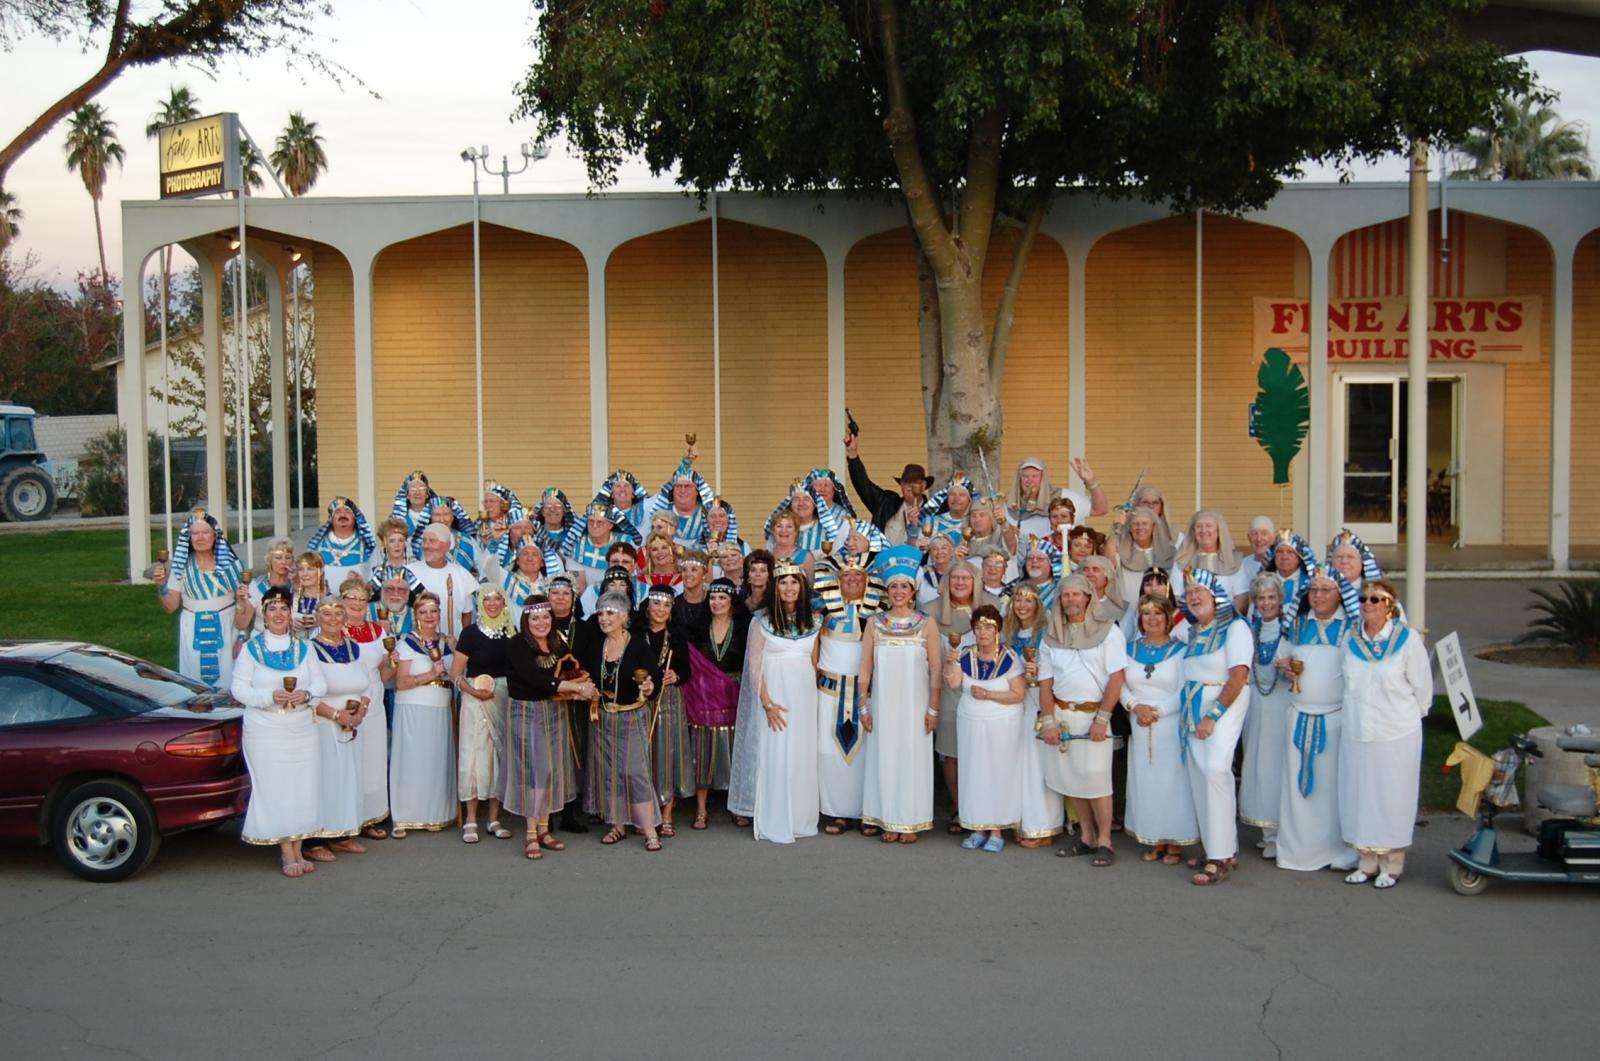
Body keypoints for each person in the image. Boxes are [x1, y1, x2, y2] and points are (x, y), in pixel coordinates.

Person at [1339, 578, 1432, 889]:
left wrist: (1403, 718)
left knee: (1392, 796)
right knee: (1361, 795)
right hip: (1358, 730)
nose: (1367, 604)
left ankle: (1392, 863)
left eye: (1375, 600)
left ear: (1389, 605)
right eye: (1364, 599)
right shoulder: (1350, 638)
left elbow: (1422, 690)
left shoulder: (1407, 640)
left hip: (1396, 732)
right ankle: (1366, 860)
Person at [231, 585, 327, 877]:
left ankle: (298, 845)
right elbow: (238, 689)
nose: (278, 614)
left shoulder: (304, 648)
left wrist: (307, 695)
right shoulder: (251, 649)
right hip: (266, 728)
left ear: (290, 613)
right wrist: (268, 697)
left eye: (283, 608)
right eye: (272, 609)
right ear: (264, 612)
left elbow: (320, 685)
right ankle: (287, 851)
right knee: (277, 787)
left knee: (302, 786)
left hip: (300, 726)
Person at [1272, 565, 1360, 873]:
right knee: (1296, 789)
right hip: (1298, 716)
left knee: (1332, 787)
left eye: (1326, 590)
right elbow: (1281, 659)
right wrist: (1284, 668)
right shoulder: (1296, 626)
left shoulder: (1351, 627)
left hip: (1335, 720)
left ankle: (1337, 851)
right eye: (1314, 590)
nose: (1319, 596)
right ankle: (1297, 852)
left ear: (1340, 594)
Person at [727, 559, 822, 843]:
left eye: (795, 582)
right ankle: (774, 815)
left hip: (804, 698)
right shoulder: (761, 621)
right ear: (775, 587)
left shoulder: (815, 621)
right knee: (776, 754)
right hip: (774, 699)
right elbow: (755, 667)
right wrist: (767, 703)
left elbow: (814, 664)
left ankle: (800, 816)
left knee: (801, 756)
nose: (790, 587)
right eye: (784, 582)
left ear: (802, 587)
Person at [1038, 573, 1127, 867]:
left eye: (1076, 594)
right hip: (1064, 715)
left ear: (1088, 597)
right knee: (1073, 778)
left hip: (1094, 716)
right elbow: (1046, 682)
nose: (1071, 600)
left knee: (1097, 780)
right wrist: (1048, 720)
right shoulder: (1052, 635)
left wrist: (1103, 718)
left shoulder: (1108, 632)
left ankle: (1105, 841)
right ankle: (1086, 837)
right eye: (1065, 595)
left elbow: (1117, 677)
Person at [858, 546, 941, 843]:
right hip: (883, 705)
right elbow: (865, 668)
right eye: (893, 586)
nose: (898, 592)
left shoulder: (926, 624)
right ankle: (888, 819)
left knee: (913, 760)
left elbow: (935, 669)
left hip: (915, 704)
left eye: (904, 586)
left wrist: (933, 709)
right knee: (885, 757)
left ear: (913, 590)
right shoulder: (875, 624)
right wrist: (863, 707)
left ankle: (911, 821)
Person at [503, 595, 594, 859]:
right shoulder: (517, 645)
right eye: (535, 618)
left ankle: (544, 829)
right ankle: (531, 834)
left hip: (555, 711)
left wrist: (580, 687)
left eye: (545, 617)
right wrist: (577, 688)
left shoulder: (556, 642)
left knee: (551, 771)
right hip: (527, 713)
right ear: (526, 620)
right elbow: (536, 680)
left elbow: (569, 671)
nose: (541, 622)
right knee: (535, 773)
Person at [1179, 569, 1253, 886]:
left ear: (1216, 596)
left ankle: (1220, 857)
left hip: (1222, 703)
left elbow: (1238, 677)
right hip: (1194, 706)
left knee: (1215, 771)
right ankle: (1218, 847)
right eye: (1190, 592)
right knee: (1199, 775)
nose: (1194, 597)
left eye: (1200, 592)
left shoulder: (1235, 628)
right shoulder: (1195, 630)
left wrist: (1214, 715)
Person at [576, 591, 665, 850]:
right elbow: (585, 675)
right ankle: (616, 825)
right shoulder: (595, 646)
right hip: (602, 718)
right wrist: (585, 687)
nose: (604, 618)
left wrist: (648, 687)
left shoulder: (638, 645)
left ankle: (649, 829)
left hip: (631, 715)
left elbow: (653, 680)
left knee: (635, 773)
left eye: (611, 612)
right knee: (609, 773)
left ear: (625, 616)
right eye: (601, 613)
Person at [812, 555, 887, 835]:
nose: (852, 581)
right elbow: (814, 647)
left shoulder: (878, 614)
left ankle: (867, 812)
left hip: (865, 692)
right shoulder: (823, 611)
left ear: (867, 582)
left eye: (858, 577)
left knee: (866, 753)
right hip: (829, 691)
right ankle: (836, 812)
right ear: (837, 581)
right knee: (829, 751)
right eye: (846, 577)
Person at [307, 594, 385, 859]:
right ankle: (316, 838)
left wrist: (362, 708)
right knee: (325, 779)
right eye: (327, 614)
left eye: (338, 614)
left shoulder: (353, 647)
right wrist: (336, 715)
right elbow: (309, 695)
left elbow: (365, 683)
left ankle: (341, 833)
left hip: (351, 724)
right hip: (324, 723)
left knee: (348, 778)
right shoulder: (310, 649)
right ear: (318, 617)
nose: (333, 620)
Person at [1121, 593, 1197, 865]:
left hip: (1169, 724)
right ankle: (1152, 836)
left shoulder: (1181, 650)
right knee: (1146, 782)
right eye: (1146, 613)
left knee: (1172, 783)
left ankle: (1174, 840)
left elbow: (1185, 688)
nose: (1152, 619)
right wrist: (1134, 705)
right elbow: (1120, 683)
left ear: (1168, 618)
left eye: (1158, 613)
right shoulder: (1128, 649)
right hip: (1139, 722)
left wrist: (1159, 711)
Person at [950, 604, 1028, 852]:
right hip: (971, 722)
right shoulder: (965, 654)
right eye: (978, 628)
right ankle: (976, 825)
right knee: (973, 771)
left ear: (998, 631)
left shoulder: (1010, 658)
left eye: (988, 628)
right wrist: (949, 661)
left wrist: (988, 695)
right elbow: (952, 682)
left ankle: (997, 829)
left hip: (1002, 724)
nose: (983, 633)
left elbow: (1018, 694)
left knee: (999, 773)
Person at [152, 509, 249, 689]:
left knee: (231, 679)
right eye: (195, 534)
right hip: (192, 628)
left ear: (215, 536)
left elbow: (244, 603)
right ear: (189, 538)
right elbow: (171, 606)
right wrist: (162, 585)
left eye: (205, 532)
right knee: (194, 684)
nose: (200, 538)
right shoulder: (180, 566)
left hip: (227, 626)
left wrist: (242, 636)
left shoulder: (231, 565)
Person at [450, 587, 514, 843]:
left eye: (497, 598)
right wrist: (473, 691)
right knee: (474, 757)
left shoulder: (512, 632)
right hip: (475, 699)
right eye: (486, 599)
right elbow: (455, 673)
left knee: (499, 755)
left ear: (503, 602)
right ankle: (471, 820)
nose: (492, 603)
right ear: (480, 603)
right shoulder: (470, 633)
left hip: (503, 697)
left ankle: (495, 819)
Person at [389, 591, 456, 837]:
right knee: (412, 760)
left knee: (435, 761)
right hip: (414, 706)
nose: (429, 616)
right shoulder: (406, 641)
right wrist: (430, 675)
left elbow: (456, 674)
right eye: (423, 612)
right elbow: (402, 681)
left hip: (441, 707)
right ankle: (405, 816)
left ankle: (435, 814)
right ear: (415, 615)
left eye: (433, 611)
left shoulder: (448, 642)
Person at [1002, 583, 1063, 848]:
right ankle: (1022, 819)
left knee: (1038, 763)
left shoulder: (1048, 632)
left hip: (1040, 697)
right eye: (1018, 601)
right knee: (1019, 762)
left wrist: (1038, 670)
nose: (1023, 606)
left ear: (1038, 605)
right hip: (1016, 700)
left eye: (1028, 601)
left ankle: (1043, 825)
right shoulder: (1009, 634)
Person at [683, 577, 748, 828]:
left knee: (735, 754)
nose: (717, 602)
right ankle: (701, 810)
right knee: (703, 754)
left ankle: (737, 806)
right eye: (712, 597)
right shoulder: (697, 627)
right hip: (704, 699)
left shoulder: (744, 627)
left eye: (722, 598)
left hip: (735, 695)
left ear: (732, 602)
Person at [931, 559, 990, 833]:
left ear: (975, 581)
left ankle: (983, 806)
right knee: (952, 753)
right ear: (946, 582)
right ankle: (958, 808)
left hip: (983, 690)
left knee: (981, 753)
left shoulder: (989, 609)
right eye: (955, 578)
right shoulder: (930, 611)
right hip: (947, 692)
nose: (960, 583)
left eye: (966, 578)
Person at [1238, 572, 1291, 859]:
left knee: (1278, 767)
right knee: (1258, 764)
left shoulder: (1291, 629)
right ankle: (1265, 829)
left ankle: (1282, 831)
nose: (1266, 603)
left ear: (1280, 599)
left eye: (1272, 597)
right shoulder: (1249, 628)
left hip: (1281, 704)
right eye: (1261, 598)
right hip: (1257, 704)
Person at [338, 575, 391, 839]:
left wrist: (392, 661)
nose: (357, 604)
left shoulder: (378, 631)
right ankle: (347, 818)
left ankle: (370, 817)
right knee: (349, 759)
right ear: (342, 600)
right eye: (352, 598)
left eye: (362, 599)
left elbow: (386, 673)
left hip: (375, 698)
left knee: (373, 757)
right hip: (346, 697)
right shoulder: (333, 631)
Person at [639, 583, 694, 836]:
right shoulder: (636, 634)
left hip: (669, 700)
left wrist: (676, 675)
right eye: (656, 603)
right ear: (648, 605)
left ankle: (667, 814)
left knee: (669, 754)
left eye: (666, 605)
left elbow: (686, 670)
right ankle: (646, 813)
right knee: (644, 756)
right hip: (640, 700)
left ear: (672, 610)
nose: (661, 609)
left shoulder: (676, 636)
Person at [843, 428, 932, 546]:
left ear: (924, 485)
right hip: (882, 560)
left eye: (915, 482)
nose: (910, 486)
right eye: (906, 482)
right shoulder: (886, 502)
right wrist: (853, 455)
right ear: (901, 485)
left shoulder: (932, 512)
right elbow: (863, 485)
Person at [1005, 457, 1109, 541]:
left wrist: (1092, 483)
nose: (1030, 481)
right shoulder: (1010, 506)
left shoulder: (1063, 497)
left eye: (1035, 476)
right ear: (1019, 479)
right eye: (1025, 476)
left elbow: (1100, 510)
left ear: (1043, 478)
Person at [407, 524, 477, 641]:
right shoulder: (409, 572)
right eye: (424, 541)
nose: (426, 546)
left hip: (452, 647)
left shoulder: (461, 574)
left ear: (447, 546)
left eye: (432, 541)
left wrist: (463, 645)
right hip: (417, 645)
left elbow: (466, 615)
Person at [1173, 510, 1250, 616]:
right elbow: (1176, 597)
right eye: (1199, 526)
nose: (1203, 530)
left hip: (1227, 624)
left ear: (1219, 531)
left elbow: (1242, 597)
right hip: (1191, 624)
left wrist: (1224, 621)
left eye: (1209, 525)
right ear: (1193, 531)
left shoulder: (1234, 560)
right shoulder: (1182, 560)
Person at [307, 496, 378, 587]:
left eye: (347, 511)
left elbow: (377, 574)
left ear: (355, 518)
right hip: (325, 600)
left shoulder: (368, 545)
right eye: (338, 512)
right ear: (331, 519)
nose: (343, 515)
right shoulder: (316, 545)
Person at [1114, 506, 1176, 607]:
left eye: (1145, 523)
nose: (1140, 528)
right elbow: (1108, 558)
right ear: (1129, 528)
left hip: (1164, 611)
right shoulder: (1121, 551)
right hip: (1130, 613)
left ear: (1153, 526)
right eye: (1135, 524)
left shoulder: (1169, 552)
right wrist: (1116, 527)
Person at [246, 538, 297, 637]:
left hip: (293, 639)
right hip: (261, 638)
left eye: (288, 557)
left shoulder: (299, 584)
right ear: (269, 560)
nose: (284, 562)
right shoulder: (256, 585)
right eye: (278, 558)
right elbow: (244, 622)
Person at [290, 551, 329, 639]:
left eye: (310, 569)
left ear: (321, 570)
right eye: (301, 569)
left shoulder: (330, 601)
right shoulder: (290, 598)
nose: (305, 574)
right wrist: (288, 623)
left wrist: (322, 623)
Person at [1241, 515, 1278, 583]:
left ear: (1274, 537)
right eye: (1254, 534)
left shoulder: (1282, 565)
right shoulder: (1241, 566)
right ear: (1249, 538)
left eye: (1264, 533)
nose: (1259, 539)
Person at [741, 549, 774, 614]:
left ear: (769, 575)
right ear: (747, 576)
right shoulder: (740, 601)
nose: (758, 574)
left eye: (763, 570)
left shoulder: (775, 603)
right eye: (753, 570)